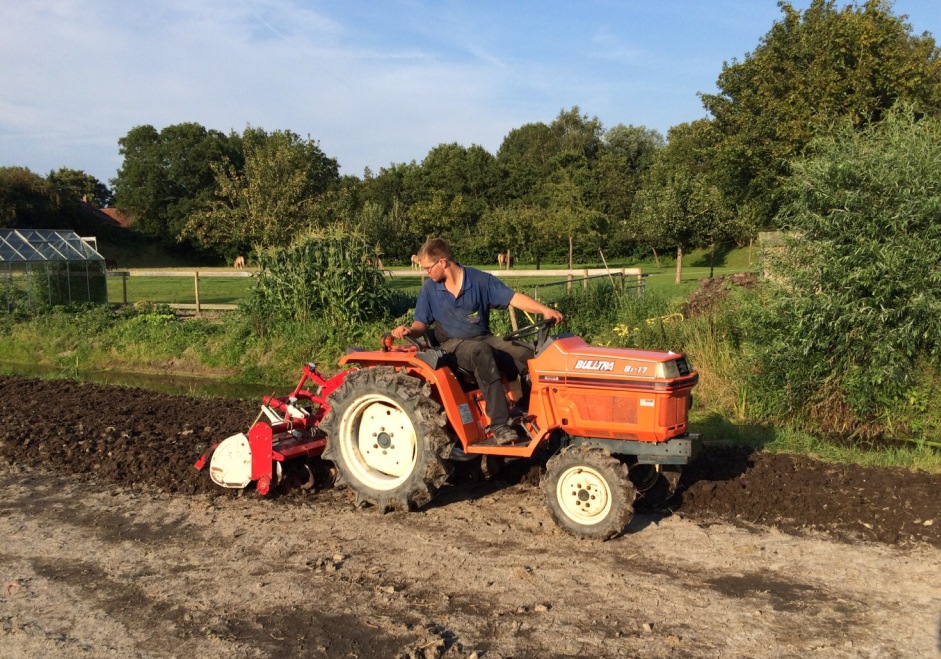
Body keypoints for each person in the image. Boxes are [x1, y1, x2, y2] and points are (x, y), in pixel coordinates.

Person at [392, 238, 564, 445]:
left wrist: (544, 309)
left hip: (483, 337)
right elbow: (421, 323)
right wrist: (410, 330)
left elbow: (513, 298)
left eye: (428, 267)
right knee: (481, 352)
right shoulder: (429, 289)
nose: (426, 272)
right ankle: (499, 424)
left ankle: (527, 410)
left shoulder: (479, 280)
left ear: (443, 262)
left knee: (527, 354)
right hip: (450, 346)